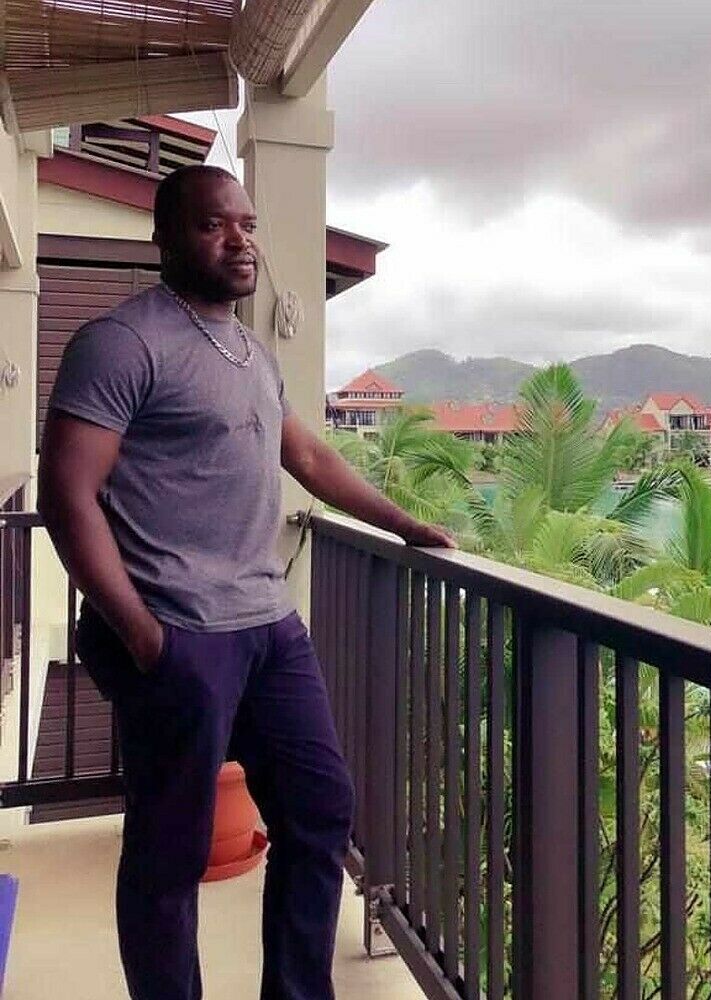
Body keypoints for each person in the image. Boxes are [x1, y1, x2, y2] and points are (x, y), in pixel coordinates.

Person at [37, 164, 453, 1000]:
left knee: (320, 809)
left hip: (268, 626)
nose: (240, 241)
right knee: (169, 853)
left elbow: (309, 458)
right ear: (164, 237)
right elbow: (66, 495)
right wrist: (145, 636)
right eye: (213, 225)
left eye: (248, 225)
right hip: (178, 629)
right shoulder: (121, 343)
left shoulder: (251, 352)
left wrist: (404, 524)